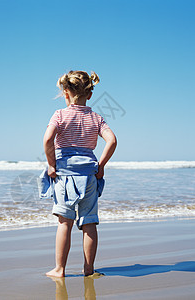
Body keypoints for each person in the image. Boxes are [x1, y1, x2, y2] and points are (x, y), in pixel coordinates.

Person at [42, 70, 117, 277]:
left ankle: (60, 269)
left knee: (64, 222)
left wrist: (51, 164)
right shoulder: (96, 118)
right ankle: (88, 268)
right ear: (89, 94)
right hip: (89, 176)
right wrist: (100, 166)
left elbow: (48, 140)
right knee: (89, 222)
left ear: (66, 93)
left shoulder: (59, 115)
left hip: (64, 175)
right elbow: (112, 140)